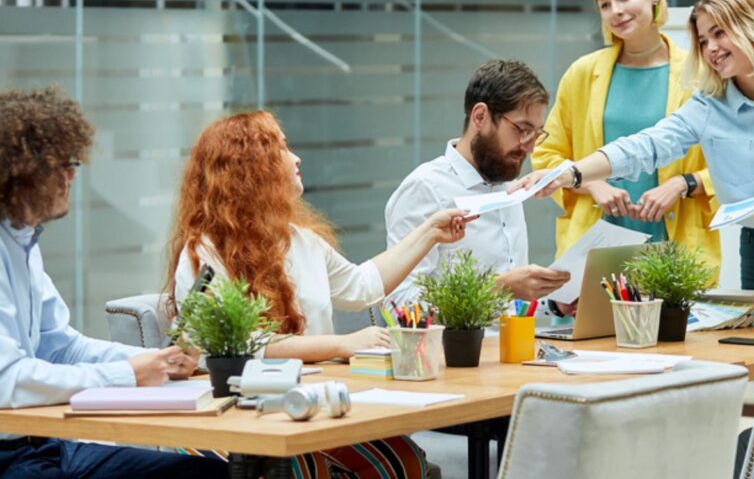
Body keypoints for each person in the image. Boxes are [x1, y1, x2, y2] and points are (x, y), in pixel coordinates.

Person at [513, 0, 754, 330]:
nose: (711, 48)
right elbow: (643, 146)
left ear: (751, 25)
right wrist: (572, 173)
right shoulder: (709, 107)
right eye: (703, 40)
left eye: (719, 33)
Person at [164, 110, 470, 479]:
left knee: (403, 462)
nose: (296, 158)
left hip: (304, 406)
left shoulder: (302, 241)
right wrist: (342, 344)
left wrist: (430, 232)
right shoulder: (203, 253)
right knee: (302, 466)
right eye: (280, 148)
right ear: (249, 168)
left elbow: (363, 286)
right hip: (232, 414)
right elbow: (243, 347)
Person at [0, 87, 228, 477]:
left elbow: (60, 346)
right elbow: (8, 381)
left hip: (43, 443)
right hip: (9, 454)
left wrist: (152, 362)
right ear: (20, 172)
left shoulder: (24, 244)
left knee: (206, 472)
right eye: (63, 165)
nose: (73, 175)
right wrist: (128, 375)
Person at [532, 0, 720, 272]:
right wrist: (592, 183)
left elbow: (733, 161)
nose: (615, 11)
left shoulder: (700, 74)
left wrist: (682, 183)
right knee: (597, 324)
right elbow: (546, 155)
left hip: (677, 246)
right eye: (605, 4)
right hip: (597, 244)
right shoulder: (582, 73)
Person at [385, 59, 572, 316]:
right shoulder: (425, 188)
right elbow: (400, 307)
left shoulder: (507, 183)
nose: (529, 146)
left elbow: (508, 309)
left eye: (536, 133)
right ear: (480, 116)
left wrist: (554, 304)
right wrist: (498, 287)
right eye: (522, 130)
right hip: (456, 355)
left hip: (515, 351)